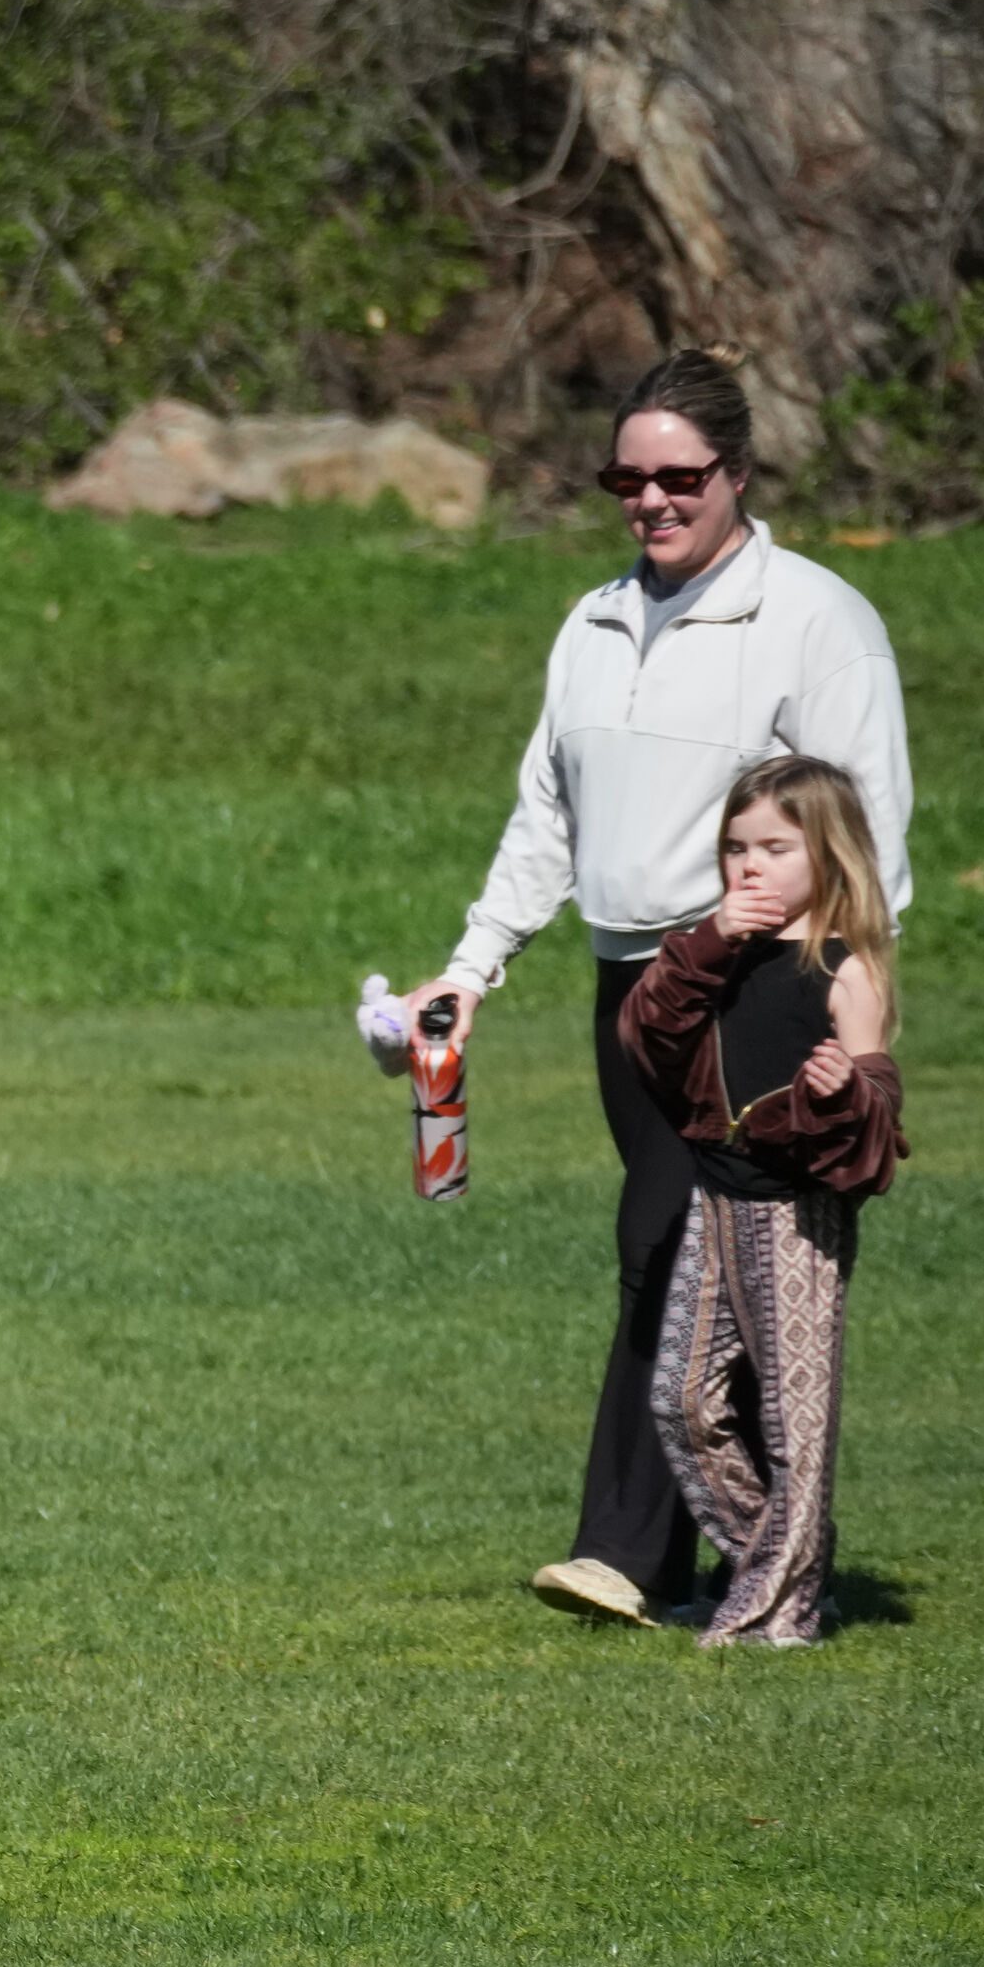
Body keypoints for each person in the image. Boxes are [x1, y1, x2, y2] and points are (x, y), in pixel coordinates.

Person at [400, 348, 909, 1628]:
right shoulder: (593, 623)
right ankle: (739, 1553)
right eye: (626, 479)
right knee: (684, 1250)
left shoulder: (816, 619)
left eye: (681, 476)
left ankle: (636, 1552)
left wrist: (850, 1001)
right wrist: (473, 963)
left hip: (763, 988)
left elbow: (868, 835)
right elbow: (548, 815)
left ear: (739, 472)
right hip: (635, 983)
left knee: (687, 1243)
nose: (652, 500)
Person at [618, 759, 905, 1647]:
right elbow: (648, 1031)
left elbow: (877, 1120)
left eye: (776, 848)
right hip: (714, 1196)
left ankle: (780, 1614)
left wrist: (839, 1094)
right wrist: (709, 940)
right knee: (681, 1402)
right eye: (736, 848)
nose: (751, 866)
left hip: (795, 1218)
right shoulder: (719, 952)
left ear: (829, 852)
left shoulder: (847, 970)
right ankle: (785, 1567)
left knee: (792, 1421)